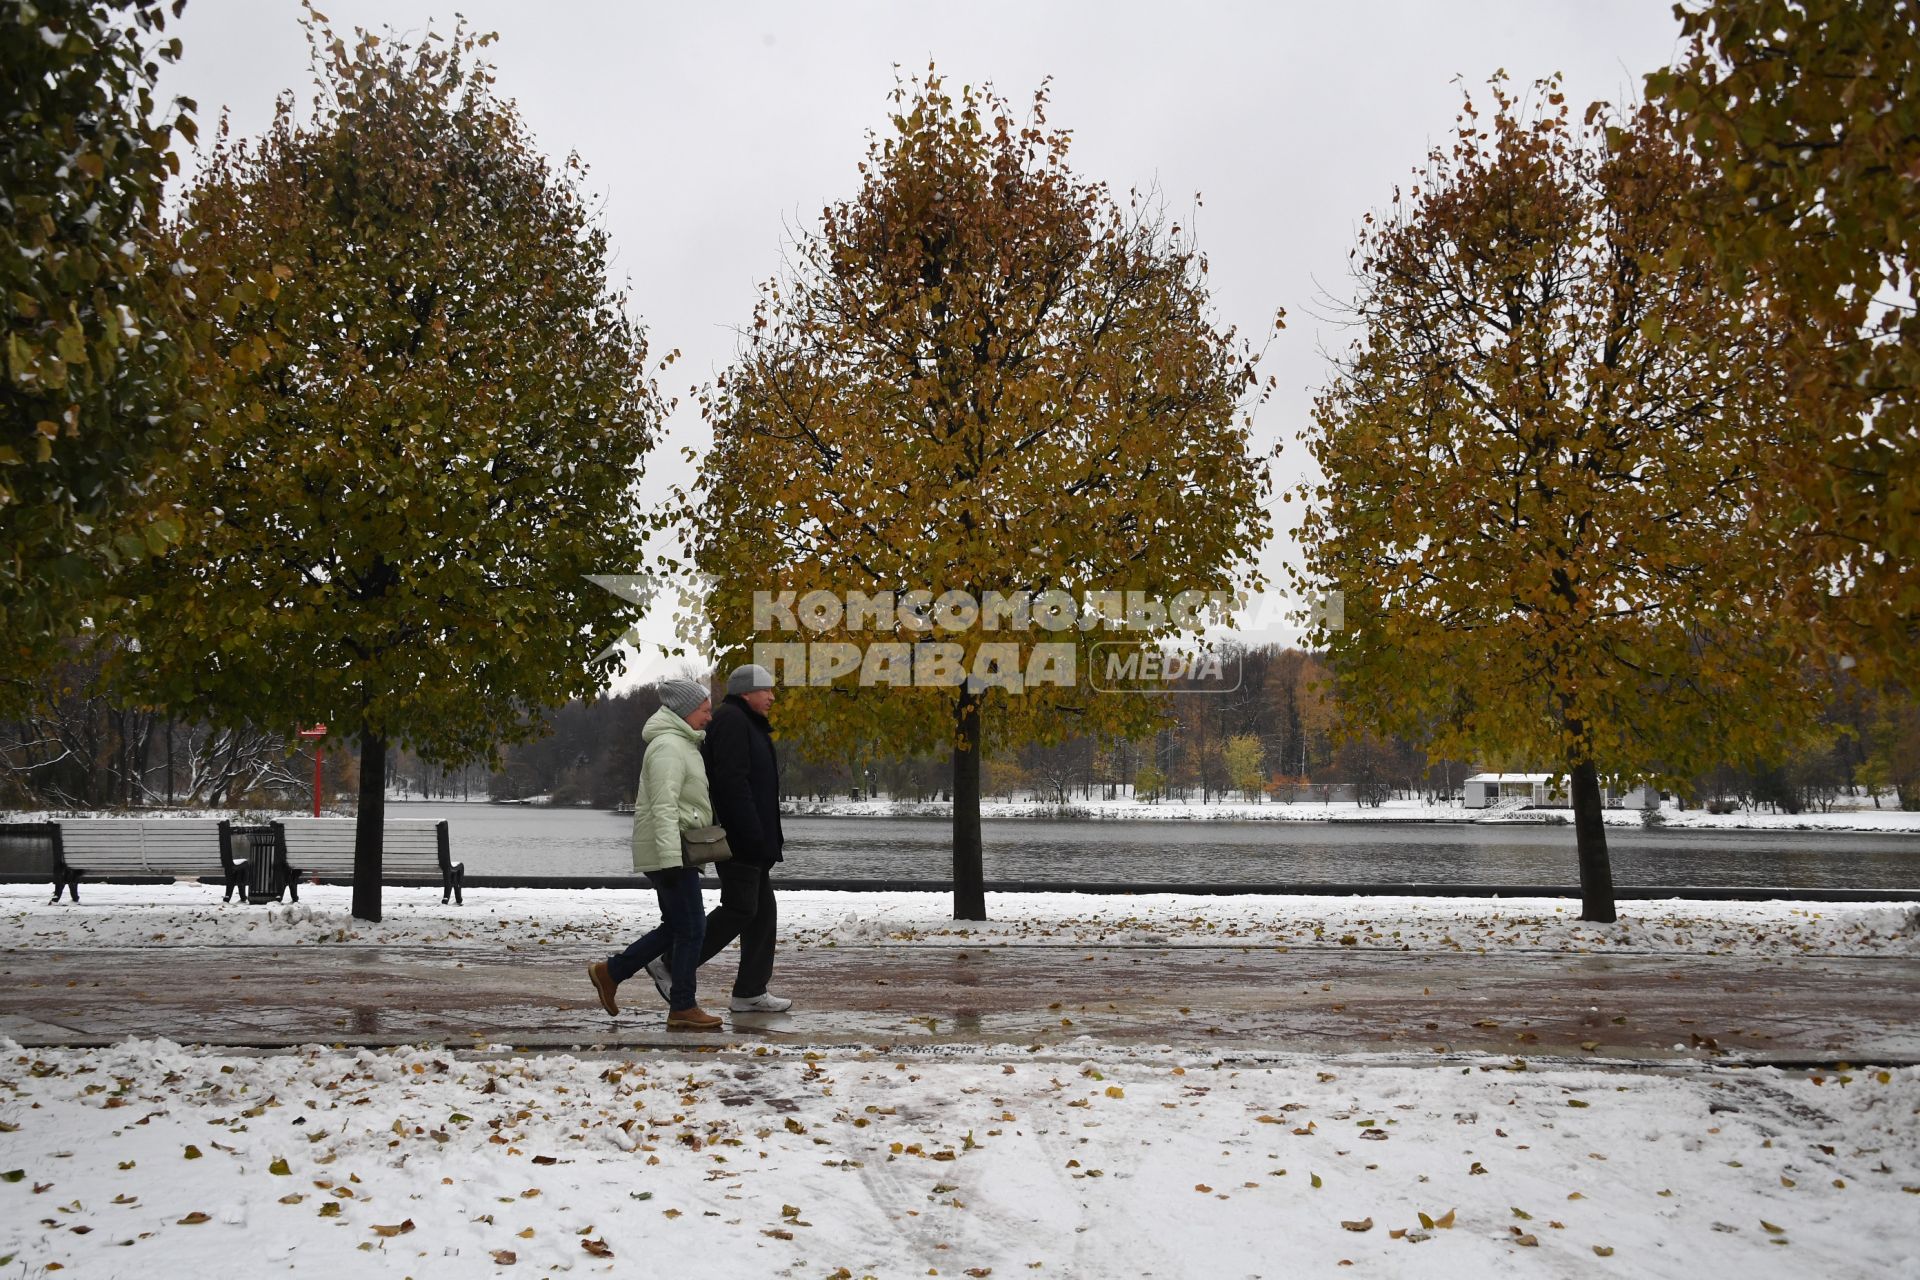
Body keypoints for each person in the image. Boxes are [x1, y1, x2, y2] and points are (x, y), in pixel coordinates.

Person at [586, 678, 721, 1030]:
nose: (709, 717)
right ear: (685, 710)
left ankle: (611, 972)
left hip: (676, 849)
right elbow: (662, 807)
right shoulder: (668, 747)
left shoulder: (682, 744)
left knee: (681, 925)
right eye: (705, 711)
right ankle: (682, 1007)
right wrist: (671, 861)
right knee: (693, 928)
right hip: (670, 852)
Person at [690, 662, 791, 1012]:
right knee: (739, 909)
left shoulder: (746, 722)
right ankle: (673, 962)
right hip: (741, 842)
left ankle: (750, 991)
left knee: (762, 914)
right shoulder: (733, 721)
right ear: (746, 692)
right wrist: (751, 837)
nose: (772, 697)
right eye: (767, 690)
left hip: (753, 841)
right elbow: (732, 785)